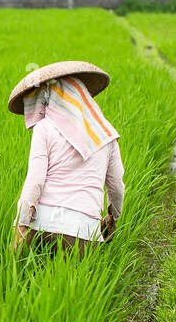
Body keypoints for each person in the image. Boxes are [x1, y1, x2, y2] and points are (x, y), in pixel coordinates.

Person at [8, 61, 125, 257]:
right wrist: (112, 217)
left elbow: (34, 182)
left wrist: (20, 227)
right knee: (74, 286)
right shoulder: (106, 135)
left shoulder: (44, 128)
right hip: (83, 234)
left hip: (40, 230)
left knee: (33, 285)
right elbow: (116, 187)